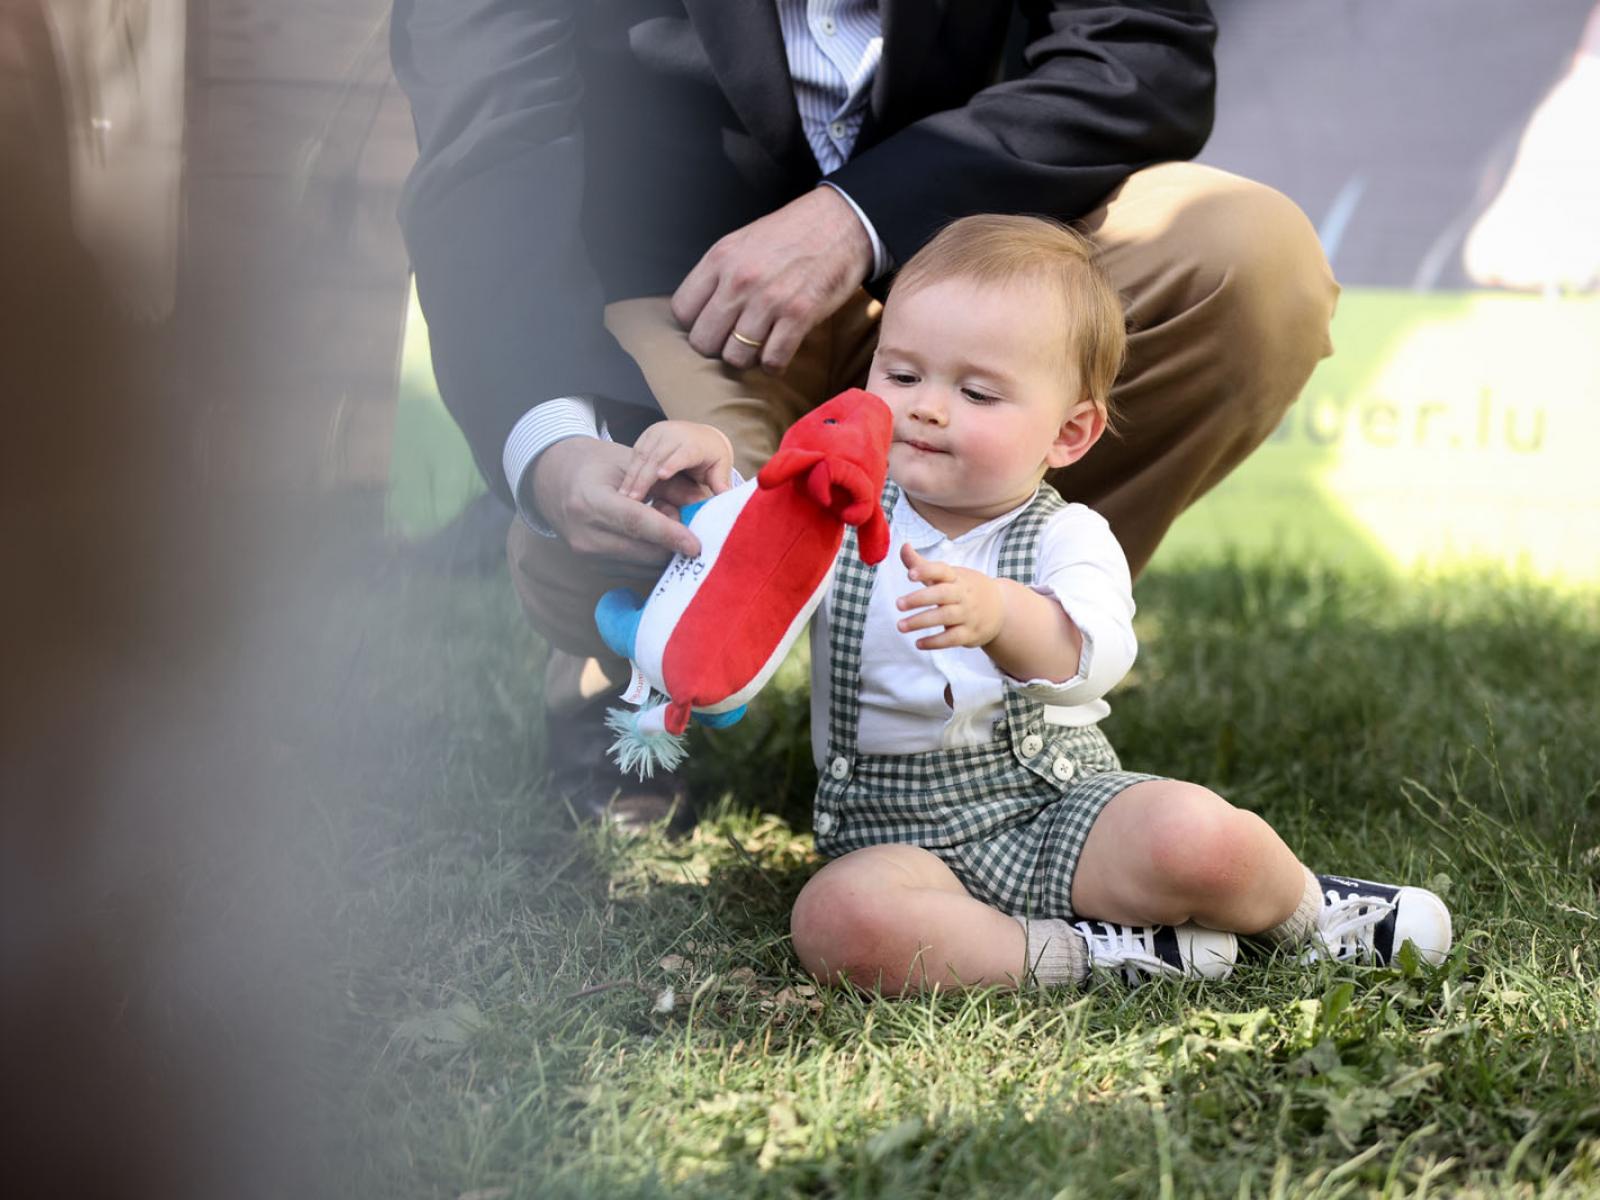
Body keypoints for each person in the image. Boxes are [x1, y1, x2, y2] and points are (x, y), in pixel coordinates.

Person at [391, 1, 1339, 832]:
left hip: (967, 263)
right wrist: (551, 446)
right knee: (638, 495)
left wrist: (861, 217)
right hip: (685, 295)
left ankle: (1011, 646)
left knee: (1250, 263)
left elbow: (1144, 53)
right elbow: (490, 138)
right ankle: (629, 679)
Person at [625, 215, 1452, 989]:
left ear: (1069, 434)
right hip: (895, 841)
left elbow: (1096, 656)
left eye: (978, 394)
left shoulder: (1068, 536)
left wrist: (1005, 617)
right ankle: (1092, 955)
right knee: (838, 920)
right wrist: (710, 477)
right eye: (902, 373)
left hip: (1058, 809)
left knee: (1198, 836)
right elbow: (745, 563)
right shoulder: (836, 508)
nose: (927, 405)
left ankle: (1311, 914)